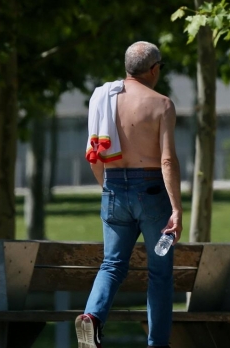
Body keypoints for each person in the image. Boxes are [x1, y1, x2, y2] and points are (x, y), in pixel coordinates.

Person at [75, 41, 183, 348]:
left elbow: (94, 155)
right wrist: (176, 208)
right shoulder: (161, 104)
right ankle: (157, 343)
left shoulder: (103, 98)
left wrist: (109, 190)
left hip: (113, 188)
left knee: (112, 265)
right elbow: (167, 160)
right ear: (153, 69)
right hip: (151, 192)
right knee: (159, 274)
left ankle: (92, 317)